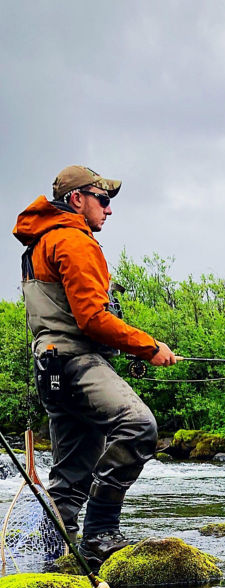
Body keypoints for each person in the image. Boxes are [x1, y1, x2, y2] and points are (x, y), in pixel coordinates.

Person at [13, 165, 178, 566]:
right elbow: (92, 319)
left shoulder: (39, 243)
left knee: (69, 478)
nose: (108, 210)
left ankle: (51, 562)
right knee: (139, 427)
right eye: (102, 200)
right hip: (76, 363)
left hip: (50, 368)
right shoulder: (73, 240)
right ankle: (101, 533)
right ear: (76, 200)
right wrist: (147, 346)